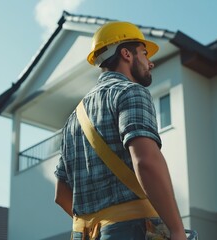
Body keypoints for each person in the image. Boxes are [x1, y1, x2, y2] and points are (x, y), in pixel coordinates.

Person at [54, 21, 187, 240]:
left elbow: (61, 195)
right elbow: (146, 162)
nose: (150, 63)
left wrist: (98, 226)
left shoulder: (73, 119)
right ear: (126, 54)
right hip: (131, 231)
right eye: (144, 53)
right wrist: (177, 230)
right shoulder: (130, 93)